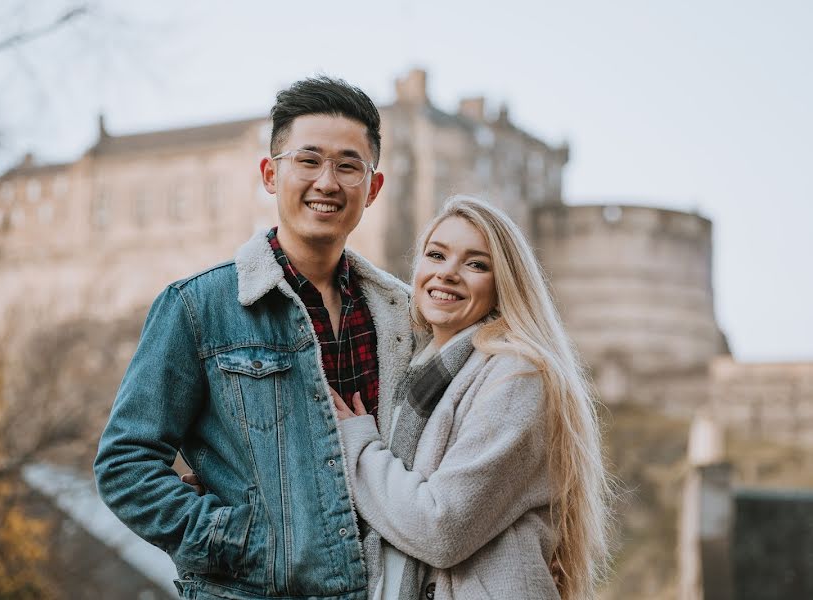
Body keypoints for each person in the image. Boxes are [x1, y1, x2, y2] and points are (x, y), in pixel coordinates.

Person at [94, 76, 415, 600]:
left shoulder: (402, 316)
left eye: (348, 165)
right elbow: (124, 466)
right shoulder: (198, 308)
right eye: (308, 161)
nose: (327, 182)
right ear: (271, 174)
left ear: (373, 188)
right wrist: (237, 539)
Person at [330, 196, 611, 600]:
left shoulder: (516, 375)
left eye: (475, 264)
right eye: (436, 255)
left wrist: (358, 447)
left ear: (503, 285)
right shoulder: (417, 373)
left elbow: (441, 528)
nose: (448, 274)